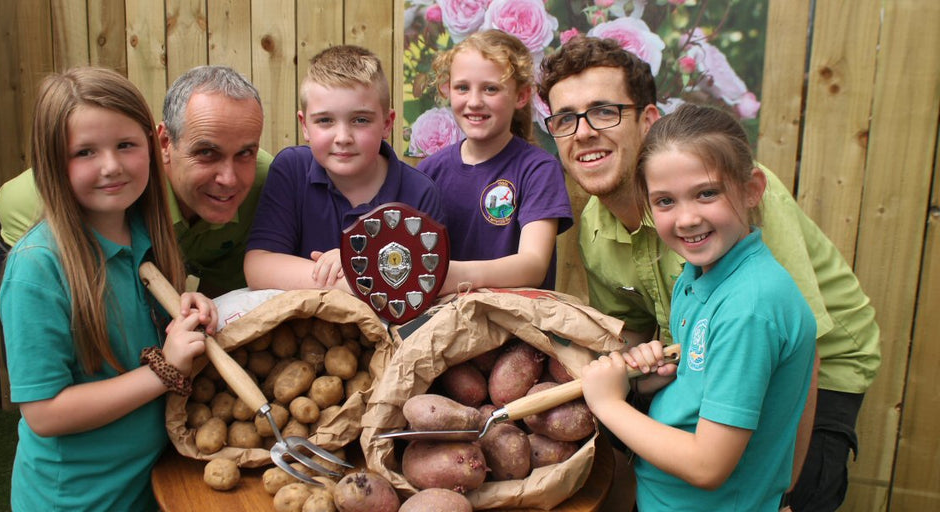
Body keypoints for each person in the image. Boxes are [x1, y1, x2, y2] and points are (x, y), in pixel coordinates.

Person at [538, 36, 881, 511]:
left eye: (603, 111)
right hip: (713, 354)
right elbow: (636, 334)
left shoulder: (733, 203)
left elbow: (806, 354)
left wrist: (785, 494)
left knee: (796, 489)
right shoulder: (595, 228)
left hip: (819, 366)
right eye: (565, 119)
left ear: (649, 120)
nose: (584, 132)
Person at [0, 67, 216, 510]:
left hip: (151, 485)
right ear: (51, 162)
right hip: (79, 501)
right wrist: (162, 370)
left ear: (153, 148)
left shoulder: (144, 233)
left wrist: (185, 310)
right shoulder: (37, 268)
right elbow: (44, 412)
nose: (111, 166)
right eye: (84, 152)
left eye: (126, 145)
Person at [581, 103, 817, 511]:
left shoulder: (750, 307)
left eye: (707, 193)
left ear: (752, 189)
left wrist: (607, 404)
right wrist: (659, 381)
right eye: (665, 201)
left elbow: (708, 465)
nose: (687, 218)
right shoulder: (702, 276)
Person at [0, 65, 272, 297]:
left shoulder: (262, 182)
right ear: (164, 143)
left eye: (245, 152)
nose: (228, 178)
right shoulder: (108, 185)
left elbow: (223, 300)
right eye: (207, 153)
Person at [244, 45, 444, 291]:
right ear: (304, 125)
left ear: (387, 124)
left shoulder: (419, 192)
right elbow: (259, 268)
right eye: (325, 121)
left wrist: (355, 265)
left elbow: (425, 280)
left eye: (360, 120)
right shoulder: (291, 170)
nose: (342, 137)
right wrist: (358, 275)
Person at [417, 30, 573, 292]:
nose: (474, 102)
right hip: (441, 321)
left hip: (515, 325)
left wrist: (447, 274)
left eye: (491, 88)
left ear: (521, 96)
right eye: (462, 88)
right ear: (447, 90)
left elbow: (533, 266)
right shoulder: (429, 171)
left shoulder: (538, 169)